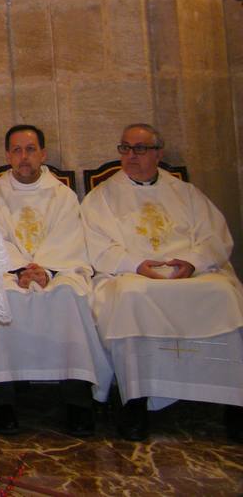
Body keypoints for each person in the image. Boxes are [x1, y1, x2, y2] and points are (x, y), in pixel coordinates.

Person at [82, 123, 243, 442]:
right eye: (125, 148)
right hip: (134, 276)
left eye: (140, 149)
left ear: (158, 153)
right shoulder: (102, 198)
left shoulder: (186, 193)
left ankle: (233, 403)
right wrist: (136, 264)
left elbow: (215, 236)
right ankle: (135, 402)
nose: (131, 156)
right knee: (129, 297)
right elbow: (97, 245)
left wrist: (193, 262)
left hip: (189, 274)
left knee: (225, 293)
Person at [0, 125, 112, 436]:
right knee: (0, 299)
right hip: (8, 274)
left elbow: (69, 237)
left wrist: (46, 270)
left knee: (69, 296)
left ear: (43, 154)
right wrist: (20, 269)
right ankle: (0, 399)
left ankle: (77, 399)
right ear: (7, 155)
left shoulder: (62, 195)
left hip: (56, 272)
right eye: (17, 150)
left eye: (30, 150)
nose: (24, 157)